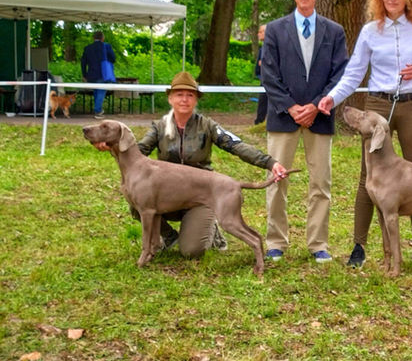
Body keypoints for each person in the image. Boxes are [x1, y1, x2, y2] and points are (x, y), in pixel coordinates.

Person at [318, 0, 412, 271]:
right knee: (369, 176)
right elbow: (353, 73)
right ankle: (359, 246)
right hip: (378, 105)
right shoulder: (370, 31)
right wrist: (332, 98)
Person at [96, 71, 288, 259]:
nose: (184, 99)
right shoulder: (159, 127)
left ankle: (211, 228)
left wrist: (269, 163)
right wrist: (113, 146)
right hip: (167, 194)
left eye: (190, 95)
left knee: (191, 251)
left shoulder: (207, 125)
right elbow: (137, 153)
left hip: (201, 195)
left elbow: (237, 146)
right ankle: (169, 236)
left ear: (196, 100)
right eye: (179, 94)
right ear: (170, 99)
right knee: (138, 202)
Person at [260, 0, 349, 263]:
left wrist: (314, 106)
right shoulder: (275, 29)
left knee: (321, 183)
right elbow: (268, 74)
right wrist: (290, 106)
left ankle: (318, 243)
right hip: (282, 116)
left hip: (320, 116)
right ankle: (275, 242)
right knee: (277, 180)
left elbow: (339, 74)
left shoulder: (334, 31)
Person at [81, 30, 115, 119]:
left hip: (91, 74)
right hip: (103, 73)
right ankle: (98, 111)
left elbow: (83, 63)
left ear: (93, 38)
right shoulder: (106, 46)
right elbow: (113, 59)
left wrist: (84, 75)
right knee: (101, 91)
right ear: (103, 38)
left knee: (96, 91)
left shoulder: (88, 48)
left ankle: (97, 110)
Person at [254, 24, 268, 125]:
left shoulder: (272, 46)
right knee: (263, 101)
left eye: (260, 32)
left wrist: (265, 63)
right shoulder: (262, 48)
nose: (258, 34)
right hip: (264, 79)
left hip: (271, 80)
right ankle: (259, 121)